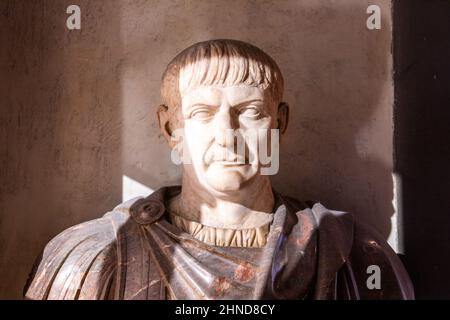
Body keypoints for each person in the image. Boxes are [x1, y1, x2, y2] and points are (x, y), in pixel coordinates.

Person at [24, 39, 414, 300]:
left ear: (279, 123)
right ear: (170, 129)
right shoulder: (93, 257)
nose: (227, 136)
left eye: (250, 112)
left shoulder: (351, 255)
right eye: (202, 114)